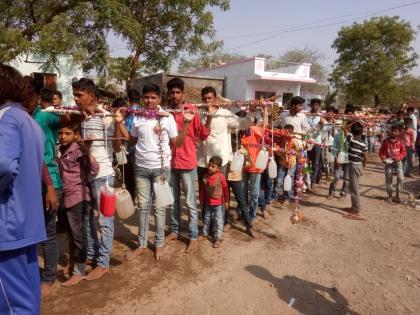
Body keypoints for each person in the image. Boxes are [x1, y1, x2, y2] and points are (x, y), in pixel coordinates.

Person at [115, 83, 193, 260]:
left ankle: (159, 244)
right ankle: (142, 245)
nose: (149, 100)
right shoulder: (138, 117)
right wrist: (120, 124)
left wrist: (187, 123)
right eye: (146, 97)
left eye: (153, 97)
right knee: (143, 207)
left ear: (159, 99)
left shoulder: (167, 118)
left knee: (159, 208)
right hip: (141, 168)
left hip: (161, 168)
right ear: (143, 98)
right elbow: (132, 140)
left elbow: (178, 142)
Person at [0, 63, 46, 314]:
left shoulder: (6, 118)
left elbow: (4, 165)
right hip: (24, 225)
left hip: (7, 229)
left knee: (12, 305)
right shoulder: (27, 120)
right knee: (26, 300)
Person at [72, 78, 123, 281]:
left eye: (79, 95)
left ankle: (103, 262)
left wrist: (118, 124)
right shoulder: (78, 116)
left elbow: (118, 147)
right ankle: (93, 255)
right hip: (84, 174)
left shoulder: (106, 117)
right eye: (75, 95)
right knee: (87, 218)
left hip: (103, 175)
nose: (75, 99)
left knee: (104, 220)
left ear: (91, 96)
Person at [164, 78, 213, 253]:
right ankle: (175, 231)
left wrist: (209, 118)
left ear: (183, 93)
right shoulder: (166, 113)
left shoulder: (191, 111)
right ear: (168, 94)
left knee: (191, 201)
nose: (175, 95)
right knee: (173, 200)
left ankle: (193, 235)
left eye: (178, 92)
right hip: (170, 162)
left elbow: (203, 134)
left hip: (187, 161)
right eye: (172, 92)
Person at [58, 121, 99, 286]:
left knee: (78, 235)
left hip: (78, 198)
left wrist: (87, 150)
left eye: (67, 133)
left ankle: (79, 271)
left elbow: (94, 169)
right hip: (65, 197)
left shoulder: (79, 150)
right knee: (70, 235)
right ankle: (74, 264)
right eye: (60, 133)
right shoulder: (62, 149)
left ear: (75, 135)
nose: (62, 136)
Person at [32, 85, 62, 296]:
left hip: (48, 182)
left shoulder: (44, 116)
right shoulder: (29, 116)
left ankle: (49, 277)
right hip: (32, 183)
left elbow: (66, 121)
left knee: (48, 233)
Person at [199, 156, 229, 248]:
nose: (210, 168)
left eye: (213, 166)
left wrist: (226, 201)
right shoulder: (205, 177)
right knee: (207, 218)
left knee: (218, 220)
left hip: (218, 204)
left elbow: (225, 189)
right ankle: (204, 234)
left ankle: (218, 238)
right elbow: (202, 191)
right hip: (208, 203)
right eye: (209, 165)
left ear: (218, 168)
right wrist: (201, 201)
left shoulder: (221, 177)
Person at [343, 122, 367, 220]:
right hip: (359, 165)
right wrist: (362, 167)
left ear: (352, 131)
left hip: (353, 165)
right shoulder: (363, 143)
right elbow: (365, 158)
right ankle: (354, 207)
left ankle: (357, 211)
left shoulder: (352, 139)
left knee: (354, 188)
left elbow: (344, 128)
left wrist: (354, 120)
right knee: (353, 187)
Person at [275, 124, 302, 205]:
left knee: (289, 180)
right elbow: (277, 149)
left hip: (291, 163)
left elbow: (299, 150)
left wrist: (293, 153)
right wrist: (279, 151)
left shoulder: (294, 140)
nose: (286, 133)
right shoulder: (281, 139)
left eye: (288, 132)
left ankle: (288, 197)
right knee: (279, 181)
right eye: (284, 131)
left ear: (291, 132)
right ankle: (279, 195)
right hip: (282, 162)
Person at [379, 125, 406, 203]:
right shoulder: (386, 141)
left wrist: (399, 157)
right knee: (389, 179)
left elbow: (403, 152)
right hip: (389, 163)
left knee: (401, 178)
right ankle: (390, 196)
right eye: (392, 131)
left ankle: (398, 195)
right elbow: (381, 151)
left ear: (399, 133)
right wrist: (383, 158)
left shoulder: (401, 142)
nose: (393, 132)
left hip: (398, 162)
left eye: (396, 131)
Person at [124, 88, 142, 200]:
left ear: (128, 100)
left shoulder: (129, 113)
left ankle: (132, 199)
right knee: (140, 176)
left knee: (130, 176)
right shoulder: (144, 111)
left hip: (131, 149)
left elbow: (127, 131)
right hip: (142, 149)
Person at [306, 98, 326, 189]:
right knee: (306, 162)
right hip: (307, 141)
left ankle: (313, 181)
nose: (314, 106)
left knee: (316, 163)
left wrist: (321, 125)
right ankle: (306, 179)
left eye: (316, 105)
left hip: (317, 142)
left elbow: (327, 128)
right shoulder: (306, 115)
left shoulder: (321, 116)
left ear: (319, 106)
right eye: (313, 104)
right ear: (310, 105)